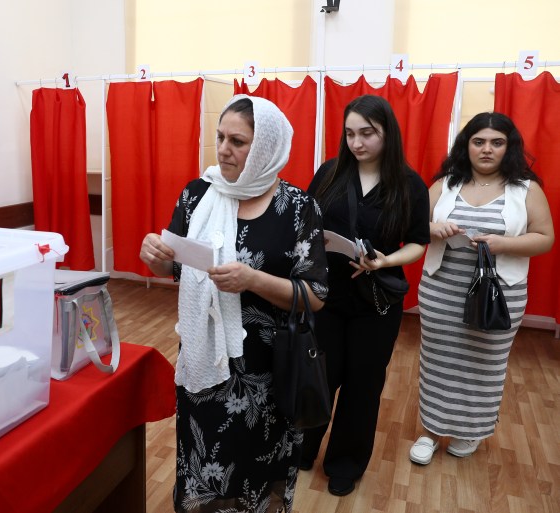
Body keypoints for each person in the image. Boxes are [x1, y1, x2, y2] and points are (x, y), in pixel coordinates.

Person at [139, 95, 328, 512]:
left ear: (264, 148)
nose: (223, 149)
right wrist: (155, 259)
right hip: (205, 364)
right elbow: (175, 268)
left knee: (257, 469)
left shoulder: (297, 209)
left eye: (238, 142)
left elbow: (314, 296)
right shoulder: (197, 195)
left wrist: (253, 280)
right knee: (204, 461)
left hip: (269, 371)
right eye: (220, 137)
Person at [300, 94, 430, 496]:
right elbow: (304, 223)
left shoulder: (409, 184)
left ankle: (345, 462)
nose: (357, 143)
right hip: (327, 296)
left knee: (363, 384)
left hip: (376, 303)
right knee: (320, 377)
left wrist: (384, 261)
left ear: (387, 133)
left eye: (367, 134)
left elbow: (418, 243)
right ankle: (302, 449)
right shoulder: (330, 173)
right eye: (351, 133)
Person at [409, 112, 554, 465]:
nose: (487, 149)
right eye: (479, 142)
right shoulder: (445, 184)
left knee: (485, 364)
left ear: (509, 147)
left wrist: (502, 244)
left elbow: (545, 239)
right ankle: (429, 430)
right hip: (442, 287)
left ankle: (469, 431)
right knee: (438, 360)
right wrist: (433, 229)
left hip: (500, 294)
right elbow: (411, 226)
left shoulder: (526, 189)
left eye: (496, 142)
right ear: (466, 145)